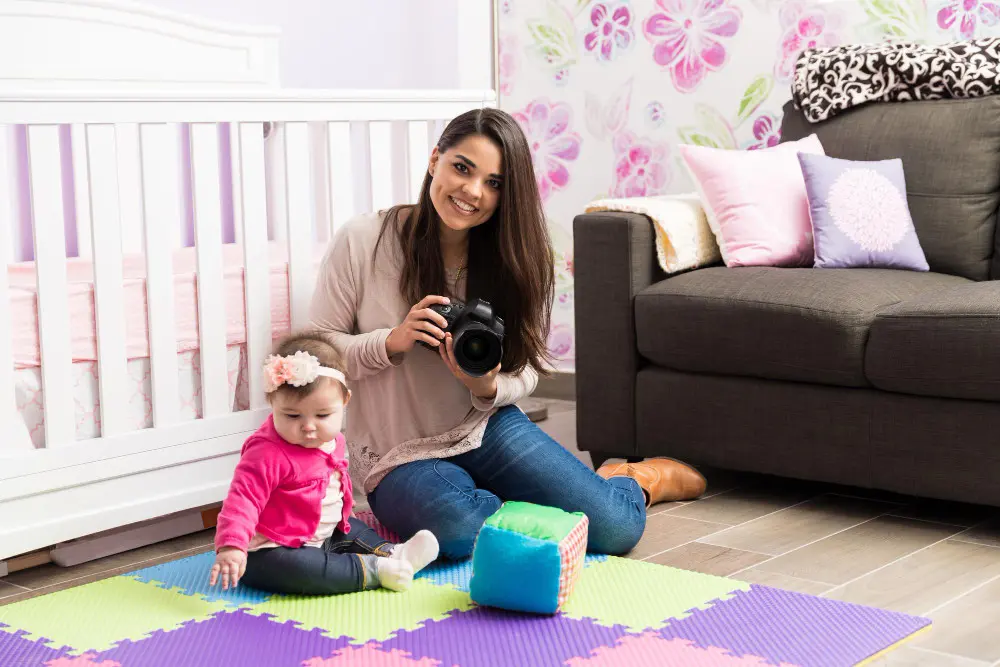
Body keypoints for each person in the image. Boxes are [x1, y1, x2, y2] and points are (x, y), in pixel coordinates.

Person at [309, 107, 707, 561]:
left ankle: (631, 480)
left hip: (483, 426)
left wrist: (486, 385)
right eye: (462, 168)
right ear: (434, 159)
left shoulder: (516, 258)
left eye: (494, 183)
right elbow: (318, 349)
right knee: (458, 532)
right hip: (395, 455)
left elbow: (528, 371)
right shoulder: (364, 239)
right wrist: (391, 341)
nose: (472, 192)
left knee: (617, 528)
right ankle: (493, 499)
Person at [209, 333, 440, 594]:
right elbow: (243, 499)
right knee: (302, 569)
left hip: (326, 531)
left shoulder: (334, 439)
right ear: (273, 403)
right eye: (292, 415)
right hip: (275, 548)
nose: (308, 427)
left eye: (322, 415)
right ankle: (374, 570)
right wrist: (232, 546)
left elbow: (338, 479)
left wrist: (345, 509)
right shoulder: (266, 452)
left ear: (344, 402)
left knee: (355, 531)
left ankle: (393, 553)